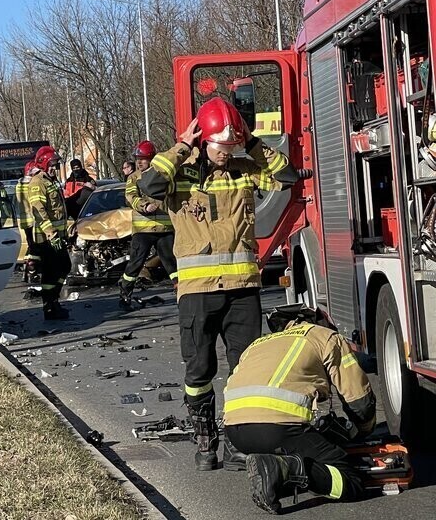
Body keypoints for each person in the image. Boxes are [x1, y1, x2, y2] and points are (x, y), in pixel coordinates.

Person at [139, 97, 299, 470]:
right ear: (203, 141)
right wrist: (181, 147)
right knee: (199, 370)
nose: (226, 153)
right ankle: (205, 437)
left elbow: (287, 175)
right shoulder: (181, 175)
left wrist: (254, 142)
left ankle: (238, 440)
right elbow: (149, 184)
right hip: (197, 292)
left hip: (243, 288)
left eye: (231, 146)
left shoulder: (245, 169)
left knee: (244, 369)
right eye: (220, 146)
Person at [224, 304, 376, 514]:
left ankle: (274, 474)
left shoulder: (257, 344)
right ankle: (284, 469)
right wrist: (364, 430)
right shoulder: (325, 337)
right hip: (276, 427)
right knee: (351, 481)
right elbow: (359, 400)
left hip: (236, 433)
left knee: (296, 448)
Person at [119, 140, 176, 311]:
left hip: (164, 229)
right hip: (143, 230)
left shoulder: (163, 175)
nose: (139, 162)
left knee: (172, 264)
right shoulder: (133, 178)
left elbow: (172, 191)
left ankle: (182, 292)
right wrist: (144, 205)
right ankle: (124, 295)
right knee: (135, 263)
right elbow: (131, 197)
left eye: (143, 158)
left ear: (152, 158)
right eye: (137, 158)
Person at [28, 146, 71, 320]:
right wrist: (51, 233)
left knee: (63, 267)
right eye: (52, 165)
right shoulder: (38, 182)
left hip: (57, 236)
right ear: (44, 164)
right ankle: (49, 306)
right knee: (51, 271)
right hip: (47, 238)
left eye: (56, 165)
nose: (55, 168)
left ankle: (53, 301)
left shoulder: (51, 181)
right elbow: (38, 209)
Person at [14, 161, 40, 280]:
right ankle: (32, 270)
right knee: (35, 247)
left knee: (31, 246)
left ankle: (27, 268)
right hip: (34, 220)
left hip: (25, 221)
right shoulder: (31, 184)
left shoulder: (19, 184)